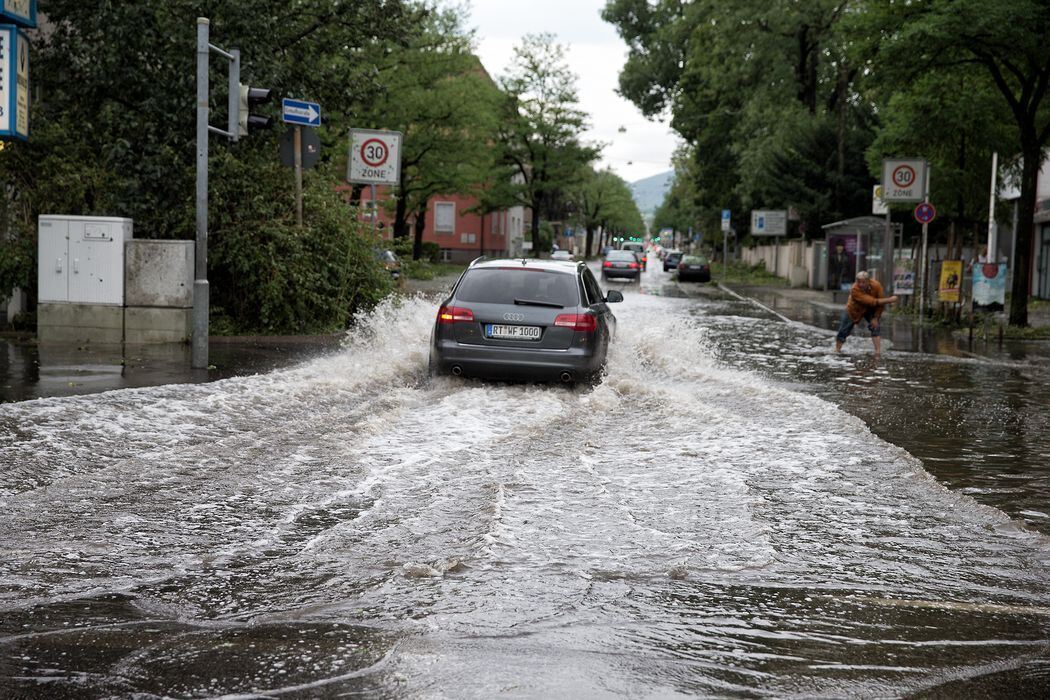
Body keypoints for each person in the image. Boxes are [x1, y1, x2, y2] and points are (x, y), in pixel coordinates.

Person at [835, 271, 898, 356]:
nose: (861, 284)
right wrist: (889, 300)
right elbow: (872, 301)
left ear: (869, 281)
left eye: (863, 282)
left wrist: (876, 317)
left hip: (870, 309)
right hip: (854, 309)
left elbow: (880, 305)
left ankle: (878, 352)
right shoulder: (854, 289)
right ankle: (837, 350)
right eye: (859, 282)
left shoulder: (876, 285)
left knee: (875, 327)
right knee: (843, 330)